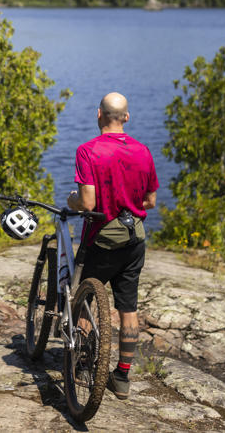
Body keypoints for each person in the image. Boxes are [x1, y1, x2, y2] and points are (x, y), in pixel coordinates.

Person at [67, 92, 158, 401]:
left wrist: (72, 200)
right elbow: (150, 201)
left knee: (85, 301)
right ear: (127, 118)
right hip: (135, 241)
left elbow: (88, 203)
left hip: (101, 240)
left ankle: (85, 365)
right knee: (127, 308)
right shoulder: (143, 151)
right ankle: (121, 376)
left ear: (98, 115)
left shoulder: (88, 151)